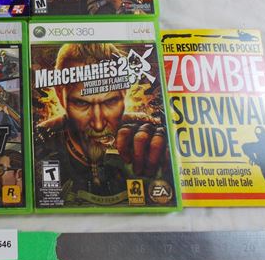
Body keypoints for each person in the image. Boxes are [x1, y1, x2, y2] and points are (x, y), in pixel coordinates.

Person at [35, 42, 167, 204]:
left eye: (110, 102)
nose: (98, 125)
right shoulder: (39, 142)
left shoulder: (144, 129)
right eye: (81, 103)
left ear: (124, 91)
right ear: (59, 94)